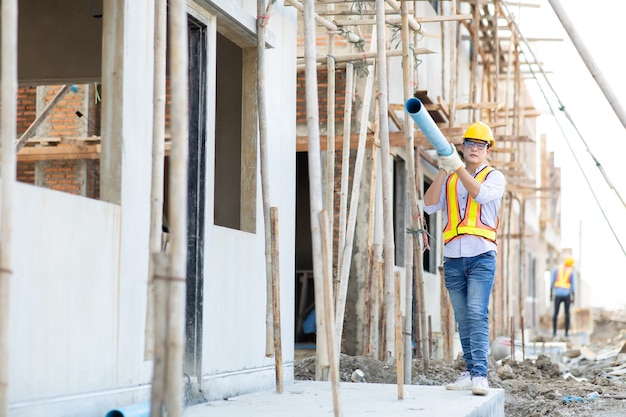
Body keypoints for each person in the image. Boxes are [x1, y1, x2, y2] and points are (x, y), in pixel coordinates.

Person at [423, 121, 505, 396]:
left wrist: (456, 167)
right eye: (470, 144)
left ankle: (481, 375)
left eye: (480, 146)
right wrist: (444, 170)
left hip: (482, 255)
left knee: (476, 314)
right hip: (453, 257)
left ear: (487, 151)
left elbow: (480, 195)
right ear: (462, 146)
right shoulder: (451, 176)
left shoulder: (494, 177)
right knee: (463, 319)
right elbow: (429, 206)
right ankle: (470, 371)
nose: (475, 149)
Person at [550, 257, 575, 337]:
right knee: (567, 314)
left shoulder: (557, 269)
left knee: (555, 313)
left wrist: (550, 293)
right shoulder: (570, 271)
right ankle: (566, 333)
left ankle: (554, 332)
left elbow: (552, 282)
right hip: (566, 295)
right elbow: (573, 286)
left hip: (557, 294)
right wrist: (573, 297)